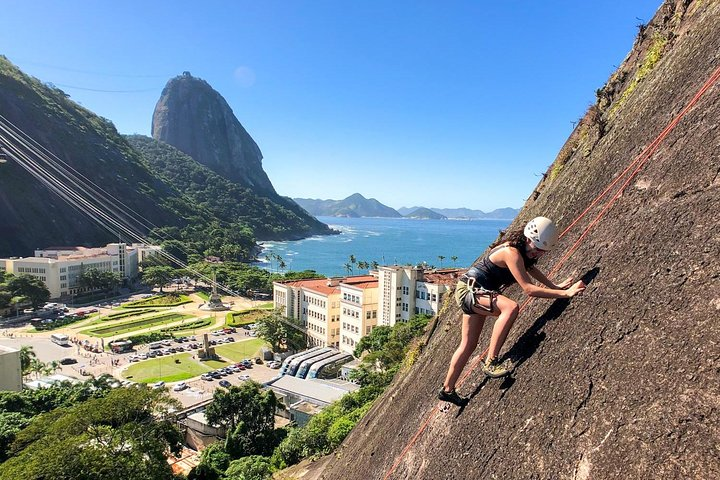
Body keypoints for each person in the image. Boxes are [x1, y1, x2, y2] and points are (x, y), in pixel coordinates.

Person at [438, 217, 586, 406]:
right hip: (472, 291)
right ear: (528, 238)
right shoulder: (511, 252)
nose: (538, 253)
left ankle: (447, 390)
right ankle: (491, 361)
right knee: (511, 308)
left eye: (542, 251)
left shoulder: (521, 250)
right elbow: (528, 289)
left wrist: (555, 285)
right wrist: (565, 293)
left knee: (468, 344)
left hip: (470, 290)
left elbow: (531, 270)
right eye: (537, 248)